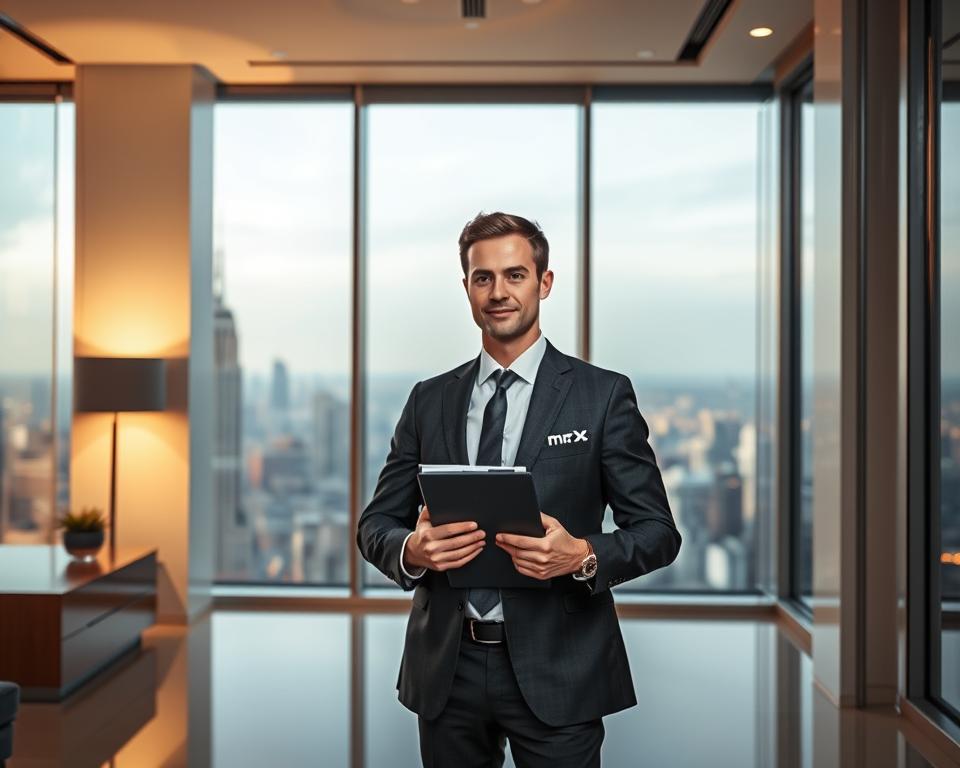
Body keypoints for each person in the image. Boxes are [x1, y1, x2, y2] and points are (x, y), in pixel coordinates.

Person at [357, 211, 681, 767]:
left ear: (544, 282)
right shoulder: (428, 400)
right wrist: (411, 550)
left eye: (515, 275)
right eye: (483, 278)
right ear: (466, 289)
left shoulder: (601, 397)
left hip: (561, 667)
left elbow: (657, 533)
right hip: (447, 670)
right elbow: (375, 525)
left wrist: (581, 555)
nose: (498, 291)